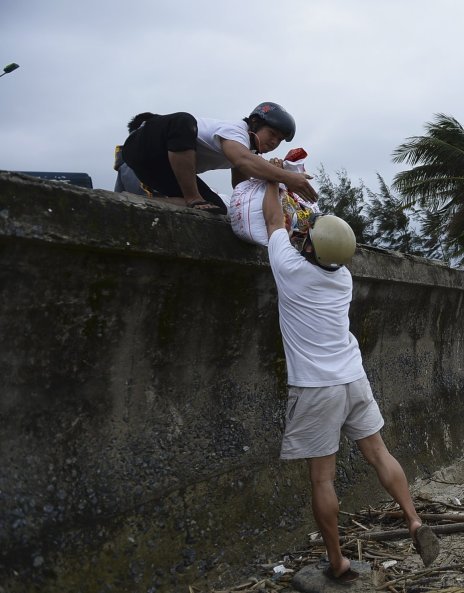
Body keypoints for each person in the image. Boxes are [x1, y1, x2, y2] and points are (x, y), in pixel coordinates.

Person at [261, 182, 438, 584]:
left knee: (323, 478)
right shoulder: (342, 278)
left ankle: (338, 562)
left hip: (315, 388)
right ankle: (413, 521)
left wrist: (271, 177)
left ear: (310, 248)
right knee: (379, 453)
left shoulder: (289, 269)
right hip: (354, 379)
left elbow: (273, 219)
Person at [121, 102, 318, 214]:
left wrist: (274, 190)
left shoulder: (248, 151)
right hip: (143, 145)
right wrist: (287, 177)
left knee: (218, 209)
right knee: (183, 121)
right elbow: (243, 161)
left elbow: (241, 187)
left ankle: (141, 202)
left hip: (161, 169)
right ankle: (192, 197)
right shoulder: (236, 132)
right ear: (255, 123)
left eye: (280, 140)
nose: (274, 142)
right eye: (272, 134)